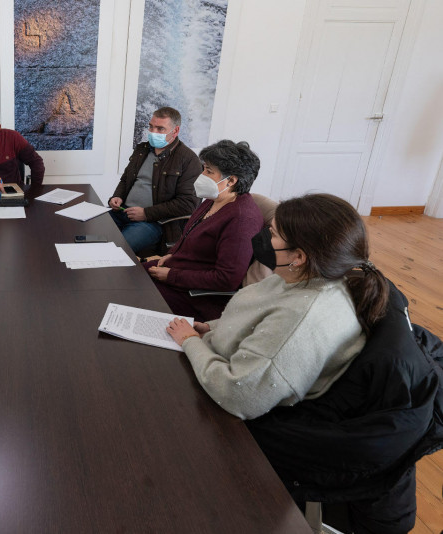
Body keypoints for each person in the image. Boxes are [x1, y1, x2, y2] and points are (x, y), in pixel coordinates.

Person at [165, 193, 389, 420]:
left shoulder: (299, 318)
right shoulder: (302, 276)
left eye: (271, 233)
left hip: (234, 412)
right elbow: (258, 317)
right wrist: (213, 328)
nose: (263, 237)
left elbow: (239, 395)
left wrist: (190, 341)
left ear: (299, 256)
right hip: (219, 360)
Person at [141, 140, 264, 322]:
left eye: (208, 171)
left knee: (130, 294)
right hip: (179, 273)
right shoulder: (213, 199)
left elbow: (227, 279)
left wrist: (171, 275)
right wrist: (172, 254)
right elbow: (188, 234)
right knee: (126, 275)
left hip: (197, 297)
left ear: (230, 180)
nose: (202, 175)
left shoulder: (241, 220)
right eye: (204, 168)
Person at [108, 107, 202, 254]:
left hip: (153, 222)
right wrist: (117, 196)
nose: (153, 133)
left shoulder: (189, 160)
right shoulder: (142, 149)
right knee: (90, 232)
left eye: (160, 129)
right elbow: (126, 179)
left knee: (116, 250)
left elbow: (188, 203)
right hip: (122, 211)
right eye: (151, 127)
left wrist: (147, 213)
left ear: (175, 131)